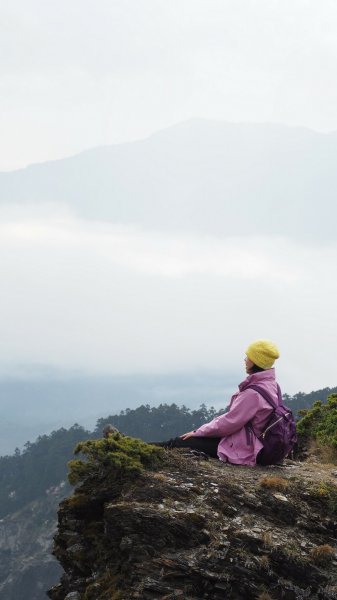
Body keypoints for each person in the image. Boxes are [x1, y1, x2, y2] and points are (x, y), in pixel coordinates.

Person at [156, 340, 281, 466]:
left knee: (179, 443)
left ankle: (143, 451)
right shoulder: (271, 385)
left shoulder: (253, 394)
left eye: (248, 357)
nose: (245, 360)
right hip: (254, 443)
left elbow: (229, 422)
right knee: (184, 441)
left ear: (256, 361)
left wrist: (198, 432)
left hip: (242, 448)